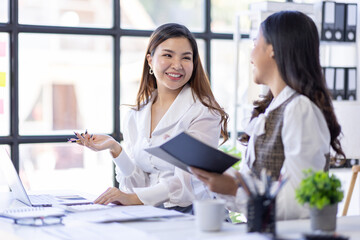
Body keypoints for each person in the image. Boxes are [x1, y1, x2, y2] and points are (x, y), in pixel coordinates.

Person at [190, 11, 346, 220]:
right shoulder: (272, 109)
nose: (251, 55)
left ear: (272, 49)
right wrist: (226, 183)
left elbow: (300, 201)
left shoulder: (299, 110)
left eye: (255, 43)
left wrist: (235, 189)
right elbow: (254, 195)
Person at [72, 23, 229, 213]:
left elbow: (185, 183)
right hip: (153, 213)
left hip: (194, 215)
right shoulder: (136, 114)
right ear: (150, 60)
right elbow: (138, 184)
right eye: (168, 55)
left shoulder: (203, 111)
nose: (177, 65)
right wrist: (115, 149)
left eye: (186, 58)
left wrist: (132, 198)